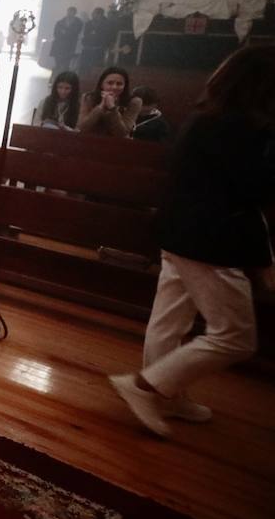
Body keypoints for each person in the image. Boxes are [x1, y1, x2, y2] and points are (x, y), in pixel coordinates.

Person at [109, 46, 275, 437]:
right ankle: (146, 387)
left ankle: (167, 394)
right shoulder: (240, 128)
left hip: (180, 232)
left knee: (170, 322)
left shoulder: (208, 119)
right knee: (235, 336)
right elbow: (251, 191)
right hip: (207, 241)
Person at [79, 66, 141, 137]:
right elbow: (82, 127)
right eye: (110, 83)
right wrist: (101, 106)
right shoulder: (88, 97)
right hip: (90, 140)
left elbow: (121, 133)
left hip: (117, 144)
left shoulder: (134, 102)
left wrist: (112, 108)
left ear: (125, 86)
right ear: (102, 84)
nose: (114, 87)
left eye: (119, 84)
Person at [52, 6, 84, 73]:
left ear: (75, 13)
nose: (70, 14)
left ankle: (64, 77)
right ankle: (55, 77)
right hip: (59, 45)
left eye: (72, 12)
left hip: (70, 46)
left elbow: (75, 33)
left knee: (66, 63)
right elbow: (56, 33)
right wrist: (65, 34)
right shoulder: (60, 22)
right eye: (69, 12)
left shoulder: (78, 23)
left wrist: (65, 32)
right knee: (58, 63)